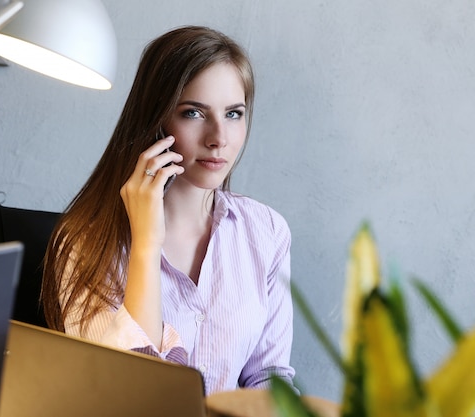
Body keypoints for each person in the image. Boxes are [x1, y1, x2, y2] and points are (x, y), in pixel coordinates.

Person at [41, 26, 296, 395]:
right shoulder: (88, 240)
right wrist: (146, 243)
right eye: (193, 113)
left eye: (234, 114)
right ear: (155, 120)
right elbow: (123, 392)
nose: (219, 138)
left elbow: (268, 378)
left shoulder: (266, 231)